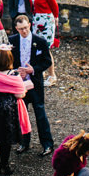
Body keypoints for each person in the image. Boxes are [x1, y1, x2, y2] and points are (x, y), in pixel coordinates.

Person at [0, 48, 33, 174]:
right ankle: (4, 165)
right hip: (7, 108)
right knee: (5, 137)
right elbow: (20, 95)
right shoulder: (14, 76)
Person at [11, 15, 55, 156]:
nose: (24, 31)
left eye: (25, 28)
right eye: (20, 29)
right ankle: (24, 142)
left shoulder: (40, 41)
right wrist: (17, 72)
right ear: (16, 29)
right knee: (22, 115)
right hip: (19, 84)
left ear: (29, 25)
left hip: (35, 83)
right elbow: (9, 62)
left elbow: (47, 61)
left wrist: (33, 69)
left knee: (40, 113)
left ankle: (47, 144)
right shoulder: (12, 41)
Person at [28, 0, 61, 85]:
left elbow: (54, 6)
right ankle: (41, 71)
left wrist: (56, 18)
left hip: (46, 21)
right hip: (36, 21)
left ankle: (52, 75)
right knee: (37, 46)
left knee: (46, 49)